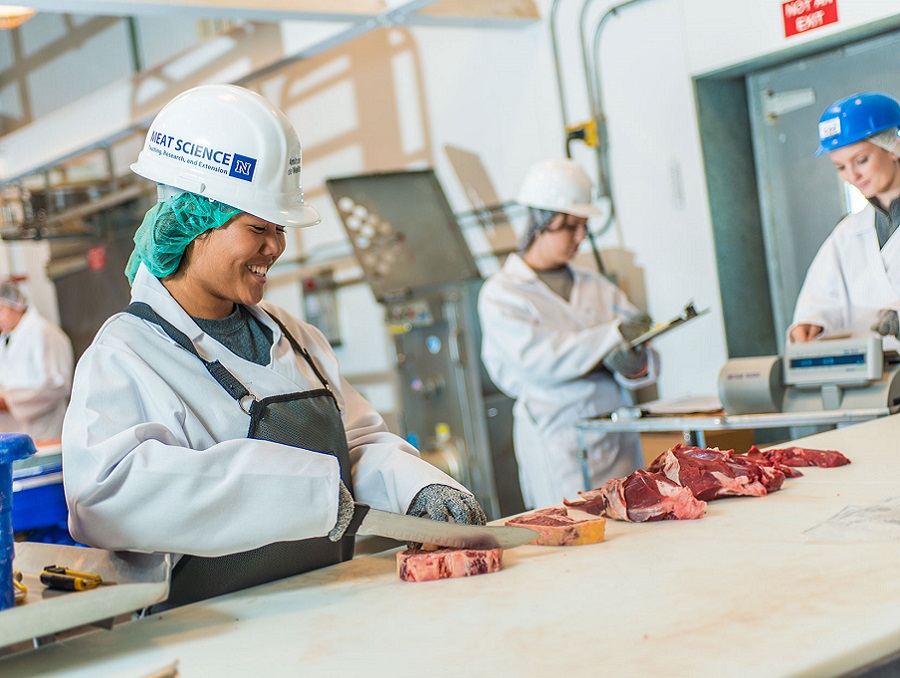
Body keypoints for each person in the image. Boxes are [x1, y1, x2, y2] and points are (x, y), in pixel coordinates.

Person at [62, 84, 486, 609]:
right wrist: (302, 494)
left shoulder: (292, 336)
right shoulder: (126, 353)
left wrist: (418, 488)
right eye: (258, 227)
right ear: (192, 224)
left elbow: (355, 447)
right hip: (210, 635)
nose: (276, 247)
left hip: (328, 607)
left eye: (279, 228)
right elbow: (102, 498)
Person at [477, 158, 658, 510]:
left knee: (634, 532)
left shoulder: (596, 286)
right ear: (540, 222)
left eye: (584, 227)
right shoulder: (503, 293)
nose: (580, 237)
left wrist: (635, 362)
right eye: (570, 226)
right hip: (558, 439)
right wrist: (610, 339)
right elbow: (539, 360)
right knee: (574, 535)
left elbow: (644, 354)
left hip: (617, 432)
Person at [789, 91, 900, 348]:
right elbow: (819, 301)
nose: (852, 175)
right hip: (874, 381)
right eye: (840, 167)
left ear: (893, 147)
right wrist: (810, 323)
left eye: (861, 160)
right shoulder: (848, 233)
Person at [0, 281, 74, 442]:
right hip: (14, 434)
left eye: (0, 311)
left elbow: (58, 386)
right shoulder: (6, 338)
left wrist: (9, 401)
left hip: (46, 432)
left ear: (16, 305)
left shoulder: (45, 333)